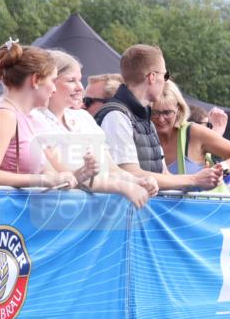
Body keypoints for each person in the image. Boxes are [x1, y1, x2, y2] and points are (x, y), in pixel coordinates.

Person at [32, 50, 155, 207]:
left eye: (79, 80)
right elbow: (66, 177)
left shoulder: (83, 118)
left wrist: (138, 181)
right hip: (55, 214)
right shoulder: (35, 120)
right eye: (71, 80)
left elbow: (111, 169)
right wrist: (123, 186)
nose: (80, 87)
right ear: (49, 81)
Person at [93, 44, 223, 192]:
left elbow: (163, 175)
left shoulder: (144, 118)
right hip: (126, 212)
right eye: (165, 75)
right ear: (152, 77)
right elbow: (130, 174)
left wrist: (200, 182)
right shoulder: (116, 116)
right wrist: (194, 179)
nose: (166, 81)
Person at [0, 42, 77, 190]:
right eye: (53, 80)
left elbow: (48, 172)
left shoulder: (33, 119)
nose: (54, 89)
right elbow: (41, 177)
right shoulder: (5, 116)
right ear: (36, 80)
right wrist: (40, 180)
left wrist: (73, 176)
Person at [153, 81, 230, 192]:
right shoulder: (143, 133)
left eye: (167, 113)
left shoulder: (193, 132)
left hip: (201, 208)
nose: (161, 119)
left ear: (179, 109)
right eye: (154, 113)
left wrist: (219, 169)